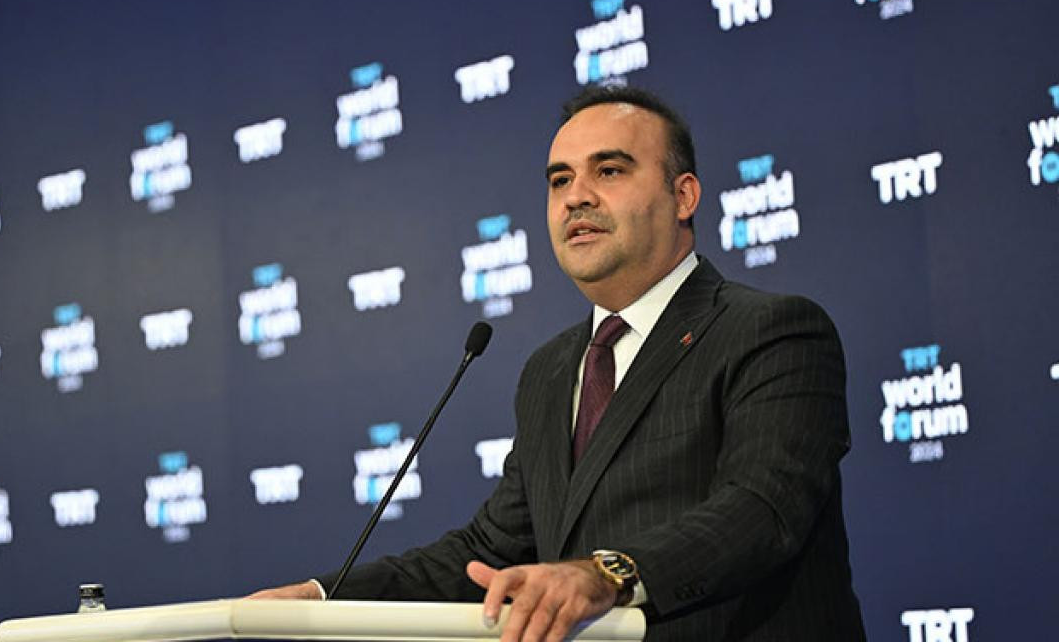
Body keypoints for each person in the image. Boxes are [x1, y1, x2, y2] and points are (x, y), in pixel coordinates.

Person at [251, 86, 865, 642]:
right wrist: (324, 599)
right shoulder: (550, 372)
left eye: (610, 170)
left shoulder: (771, 331)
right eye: (559, 179)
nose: (577, 196)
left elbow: (762, 509)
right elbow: (490, 550)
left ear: (684, 196)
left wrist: (606, 574)